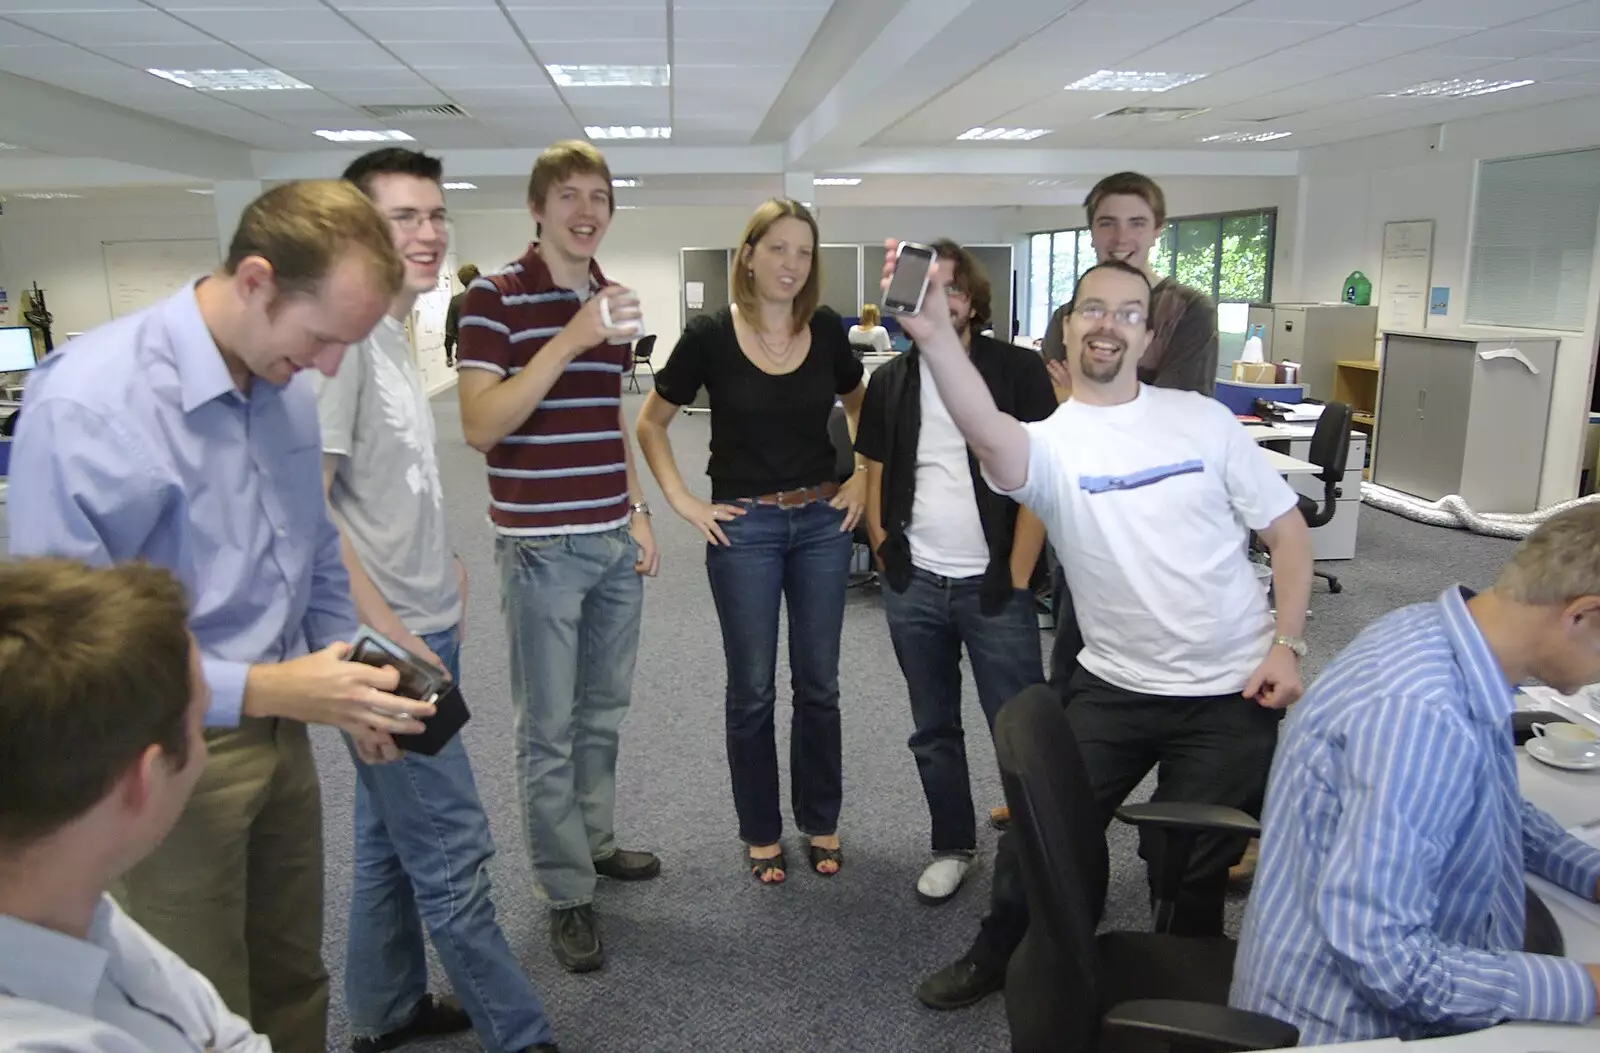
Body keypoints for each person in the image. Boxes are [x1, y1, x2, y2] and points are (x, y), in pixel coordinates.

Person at [7, 180, 438, 1053]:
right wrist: (280, 685)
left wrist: (347, 672)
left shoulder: (279, 380)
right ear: (254, 280)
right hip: (157, 748)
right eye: (320, 339)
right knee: (188, 994)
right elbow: (69, 662)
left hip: (286, 728)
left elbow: (316, 551)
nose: (324, 368)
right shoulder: (91, 404)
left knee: (290, 975)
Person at [891, 252, 1313, 1010]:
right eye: (1093, 307)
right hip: (1113, 684)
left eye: (1127, 311)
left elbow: (1286, 532)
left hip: (1231, 687)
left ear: (1147, 337)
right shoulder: (1050, 443)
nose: (1108, 322)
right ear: (1068, 326)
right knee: (1037, 832)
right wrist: (935, 338)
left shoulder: (1205, 421)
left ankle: (1183, 983)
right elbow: (986, 430)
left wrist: (1288, 642)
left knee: (1188, 866)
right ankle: (1002, 949)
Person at [320, 148, 559, 1053]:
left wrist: (445, 568)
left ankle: (385, 1011)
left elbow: (390, 489)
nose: (426, 234)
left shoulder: (390, 337)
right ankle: (522, 1035)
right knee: (453, 847)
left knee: (390, 834)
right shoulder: (339, 350)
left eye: (433, 215)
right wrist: (391, 640)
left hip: (422, 623)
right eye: (399, 219)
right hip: (385, 649)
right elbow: (305, 519)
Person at [1231, 506, 1600, 1044]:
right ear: (1583, 615)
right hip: (1352, 1025)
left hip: (1400, 969)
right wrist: (1588, 988)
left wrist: (1588, 872)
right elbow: (1390, 964)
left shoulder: (1443, 634)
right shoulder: (1422, 715)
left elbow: (1493, 805)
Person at [456, 139, 661, 976]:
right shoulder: (490, 297)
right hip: (540, 548)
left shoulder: (613, 298)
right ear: (538, 208)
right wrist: (569, 337)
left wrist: (640, 511)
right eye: (569, 196)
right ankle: (566, 891)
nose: (586, 211)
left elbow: (611, 415)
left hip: (612, 538)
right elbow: (480, 424)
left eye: (599, 198)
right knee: (547, 730)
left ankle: (596, 841)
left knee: (602, 715)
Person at [635, 198, 868, 885]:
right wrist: (681, 499)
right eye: (778, 249)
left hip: (824, 522)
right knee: (753, 689)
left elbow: (862, 406)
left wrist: (861, 476)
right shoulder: (709, 334)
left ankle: (820, 819)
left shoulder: (826, 329)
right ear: (748, 255)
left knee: (820, 685)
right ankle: (760, 829)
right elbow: (650, 423)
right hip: (746, 529)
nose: (791, 263)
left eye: (803, 251)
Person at [0, 559, 270, 1053]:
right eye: (200, 723)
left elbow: (231, 1039)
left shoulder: (70, 900)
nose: (204, 749)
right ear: (143, 781)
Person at [855, 239, 1053, 905]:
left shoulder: (1016, 371)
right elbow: (876, 473)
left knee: (1021, 728)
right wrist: (887, 554)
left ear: (975, 300)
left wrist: (1020, 575)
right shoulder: (893, 379)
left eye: (956, 287)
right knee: (932, 727)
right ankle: (952, 843)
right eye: (931, 287)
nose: (946, 299)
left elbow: (1040, 479)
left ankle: (1042, 850)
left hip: (996, 585)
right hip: (917, 582)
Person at [444, 263, 478, 367]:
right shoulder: (491, 297)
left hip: (465, 354)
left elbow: (449, 332)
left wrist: (449, 356)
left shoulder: (456, 301)